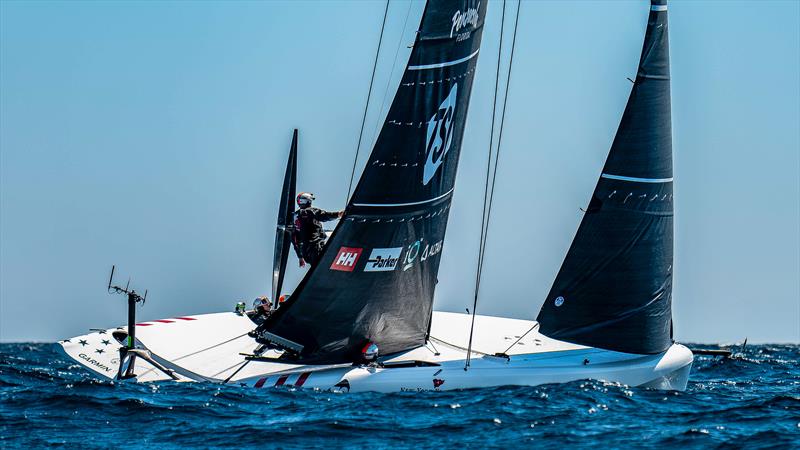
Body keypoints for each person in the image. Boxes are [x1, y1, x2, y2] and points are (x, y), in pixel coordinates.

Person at [291, 192, 343, 267]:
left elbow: (294, 239)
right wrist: (338, 214)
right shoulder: (309, 211)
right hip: (317, 248)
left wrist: (300, 257)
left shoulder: (295, 217)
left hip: (306, 253)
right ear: (307, 201)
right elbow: (323, 216)